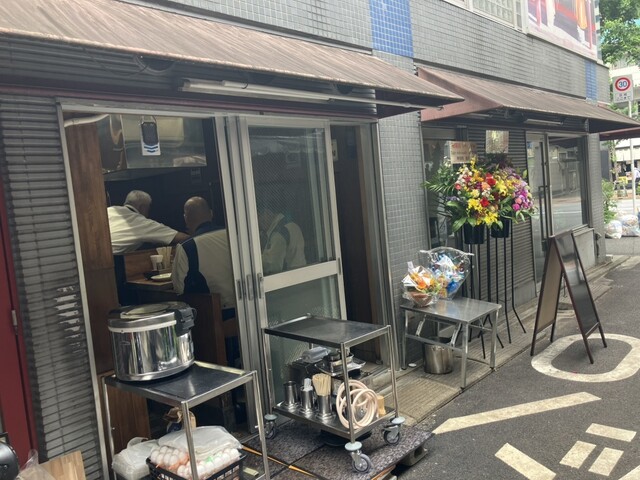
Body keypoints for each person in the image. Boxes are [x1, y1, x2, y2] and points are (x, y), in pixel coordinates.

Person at [171, 197, 236, 313]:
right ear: (211, 213)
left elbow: (179, 288)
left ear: (186, 218)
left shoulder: (187, 246)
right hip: (244, 304)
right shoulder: (233, 235)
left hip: (214, 313)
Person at [107, 190, 188, 254]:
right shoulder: (141, 222)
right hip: (111, 261)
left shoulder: (109, 210)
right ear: (142, 207)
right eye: (148, 208)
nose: (148, 213)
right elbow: (177, 237)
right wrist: (195, 238)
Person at [258, 206, 306, 275]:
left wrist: (256, 258)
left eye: (260, 218)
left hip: (289, 276)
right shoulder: (291, 224)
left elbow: (273, 266)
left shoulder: (278, 234)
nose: (259, 223)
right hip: (302, 272)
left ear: (267, 213)